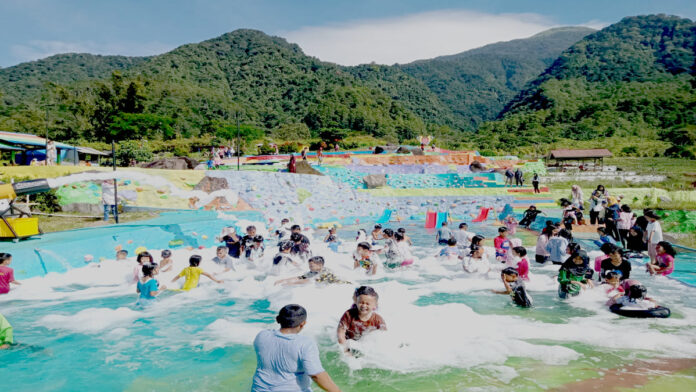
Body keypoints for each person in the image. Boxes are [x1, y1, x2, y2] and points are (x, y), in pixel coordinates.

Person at [252, 304, 341, 392]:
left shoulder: (262, 336)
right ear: (303, 324)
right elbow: (316, 375)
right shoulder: (305, 344)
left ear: (278, 319)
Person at [337, 286, 387, 354]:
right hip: (349, 342)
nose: (363, 305)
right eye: (361, 302)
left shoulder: (378, 320)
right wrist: (345, 350)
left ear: (374, 306)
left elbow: (385, 336)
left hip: (364, 347)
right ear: (356, 302)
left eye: (367, 304)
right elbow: (340, 333)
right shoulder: (348, 314)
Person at [275, 256, 349, 286]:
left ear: (320, 265)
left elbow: (308, 281)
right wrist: (283, 280)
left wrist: (289, 283)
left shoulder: (325, 273)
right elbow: (301, 278)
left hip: (341, 284)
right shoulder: (314, 271)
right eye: (309, 265)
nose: (309, 267)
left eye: (311, 266)